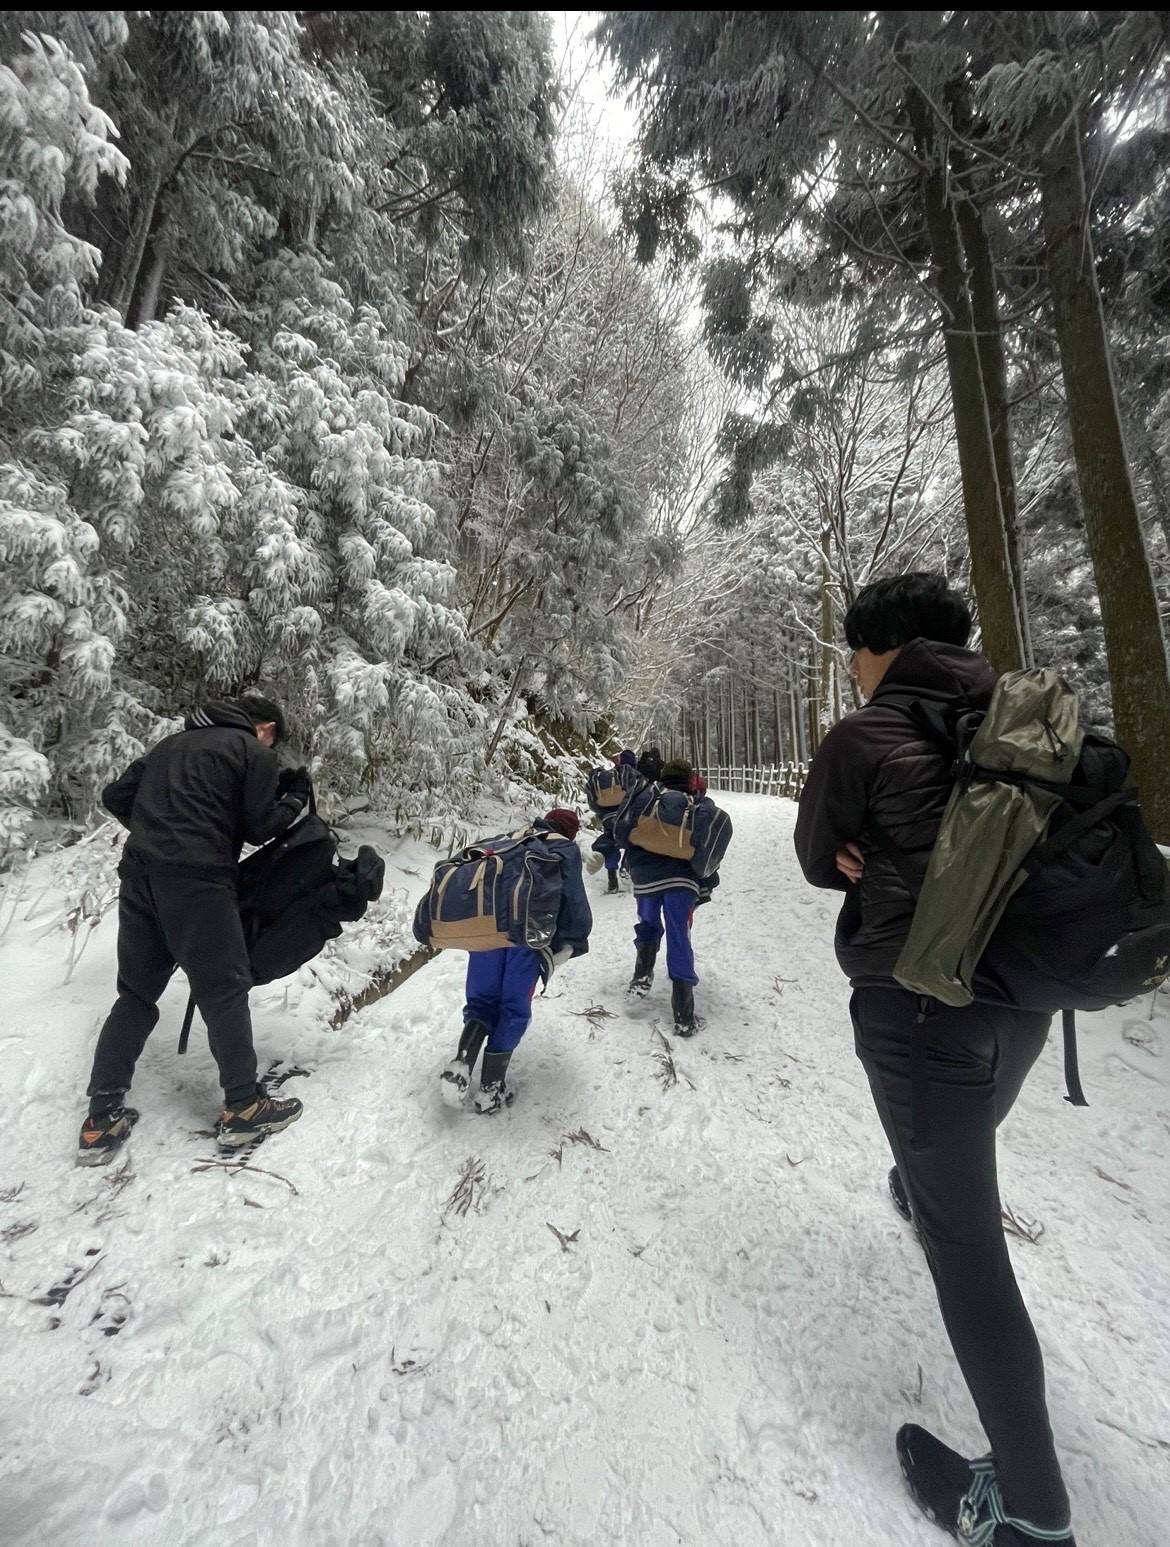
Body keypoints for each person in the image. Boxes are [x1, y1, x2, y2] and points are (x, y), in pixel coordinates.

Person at [793, 573, 1076, 1547]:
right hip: (1029, 1005)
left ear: (883, 649)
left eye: (856, 658)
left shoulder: (864, 736)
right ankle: (924, 1183)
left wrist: (858, 852)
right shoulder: (1026, 720)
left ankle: (1033, 1514)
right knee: (949, 1166)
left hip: (924, 1014)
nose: (857, 675)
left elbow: (813, 852)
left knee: (967, 1250)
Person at [77, 696, 311, 1166]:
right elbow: (260, 826)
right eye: (274, 738)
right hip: (198, 882)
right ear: (265, 727)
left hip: (141, 874)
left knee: (137, 993)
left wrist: (159, 830)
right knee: (223, 989)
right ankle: (245, 1106)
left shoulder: (170, 745)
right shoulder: (252, 751)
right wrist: (295, 797)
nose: (273, 745)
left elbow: (115, 797)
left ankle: (100, 1120)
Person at [440, 808, 592, 1113]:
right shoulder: (564, 847)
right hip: (526, 940)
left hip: (486, 934)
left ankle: (462, 1062)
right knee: (513, 1009)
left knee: (481, 1002)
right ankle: (489, 1092)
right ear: (570, 831)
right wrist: (574, 941)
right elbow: (574, 902)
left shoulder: (508, 840)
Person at [624, 757, 718, 1035]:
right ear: (690, 779)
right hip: (682, 883)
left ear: (663, 777)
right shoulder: (700, 806)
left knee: (648, 924)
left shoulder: (645, 798)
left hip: (646, 881)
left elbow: (623, 831)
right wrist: (707, 884)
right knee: (679, 935)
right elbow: (709, 849)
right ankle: (684, 1014)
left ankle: (641, 977)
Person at [586, 749, 636, 894]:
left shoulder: (609, 779)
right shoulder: (632, 777)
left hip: (607, 817)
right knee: (633, 840)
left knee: (611, 841)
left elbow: (593, 803)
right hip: (627, 816)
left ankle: (612, 880)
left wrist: (603, 814)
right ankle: (626, 867)